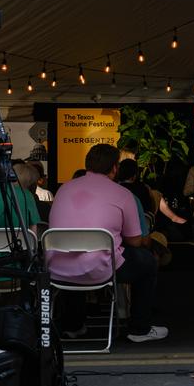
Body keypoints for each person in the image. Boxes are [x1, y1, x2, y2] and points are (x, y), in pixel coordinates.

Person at [48, 144, 167, 343]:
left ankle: (73, 325)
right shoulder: (123, 194)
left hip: (58, 268)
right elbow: (135, 240)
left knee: (74, 258)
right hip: (101, 268)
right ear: (114, 168)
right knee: (147, 262)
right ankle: (140, 328)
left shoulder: (63, 189)